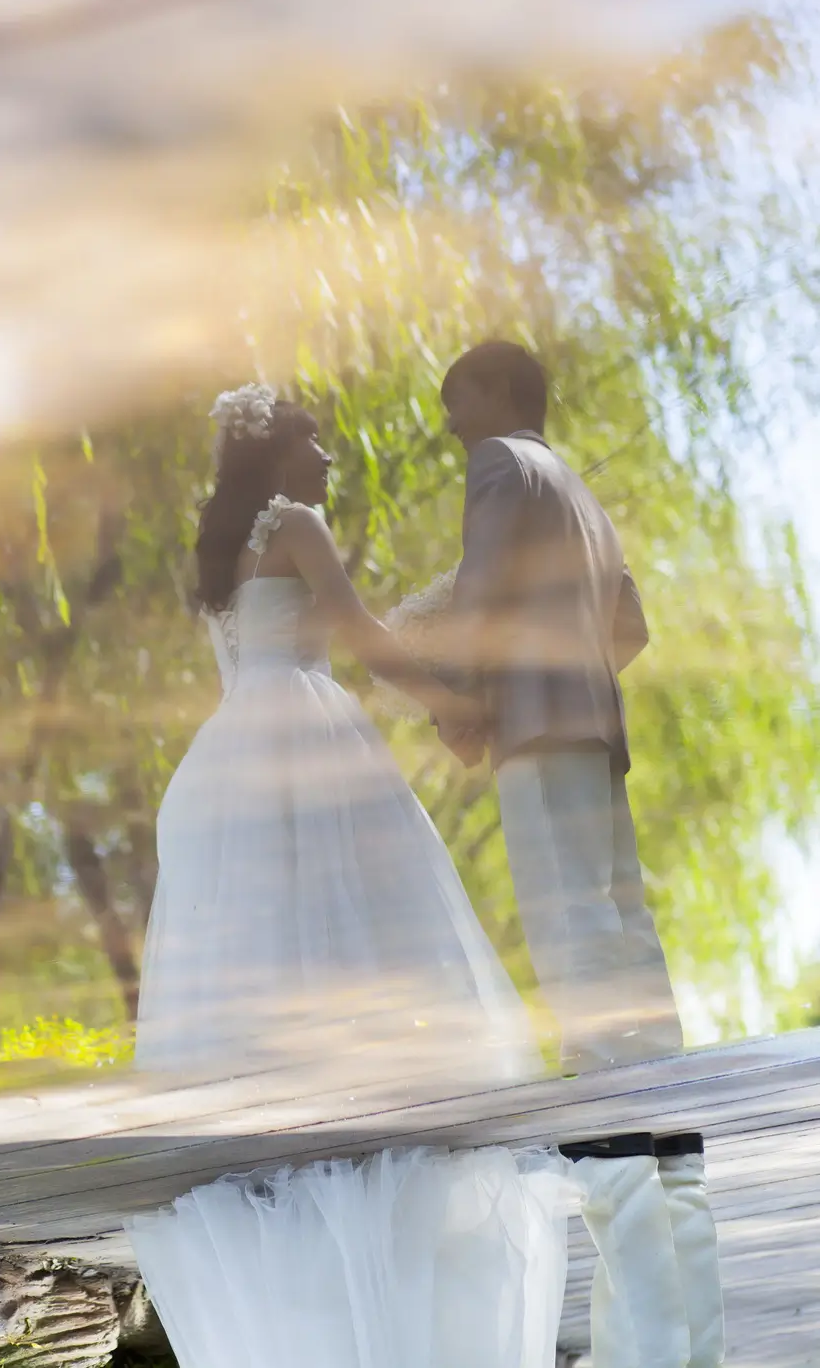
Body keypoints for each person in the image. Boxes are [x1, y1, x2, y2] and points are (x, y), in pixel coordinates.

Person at [128, 382, 578, 1368]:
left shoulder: (219, 559)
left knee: (272, 923)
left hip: (231, 749)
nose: (331, 456)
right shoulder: (295, 524)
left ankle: (283, 1090)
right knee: (364, 908)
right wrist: (456, 704)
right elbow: (367, 642)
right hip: (307, 729)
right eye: (316, 439)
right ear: (281, 455)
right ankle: (364, 1082)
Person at [435, 340, 683, 1075]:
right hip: (596, 726)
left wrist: (458, 696)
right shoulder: (580, 492)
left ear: (503, 392)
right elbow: (630, 625)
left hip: (535, 726)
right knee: (620, 904)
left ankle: (604, 1070)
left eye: (460, 404)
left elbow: (479, 586)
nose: (453, 427)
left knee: (563, 901)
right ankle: (661, 1064)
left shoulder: (500, 462)